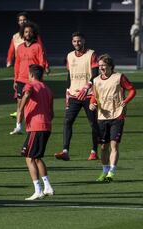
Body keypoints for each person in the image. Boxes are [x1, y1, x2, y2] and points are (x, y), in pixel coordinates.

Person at [90, 54, 136, 182]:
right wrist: (92, 103)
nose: (101, 68)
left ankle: (112, 171)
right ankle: (104, 171)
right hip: (102, 116)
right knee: (103, 147)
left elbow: (132, 90)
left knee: (114, 145)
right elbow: (94, 95)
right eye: (99, 66)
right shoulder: (96, 80)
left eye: (103, 65)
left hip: (117, 115)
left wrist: (125, 101)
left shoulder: (119, 77)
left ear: (110, 66)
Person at [55, 32, 100, 161]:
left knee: (93, 123)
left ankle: (94, 151)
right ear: (72, 42)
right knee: (67, 122)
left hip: (89, 95)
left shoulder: (91, 54)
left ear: (84, 41)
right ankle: (65, 151)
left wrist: (87, 87)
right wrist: (67, 92)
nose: (77, 43)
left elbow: (96, 74)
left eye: (79, 41)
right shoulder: (69, 56)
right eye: (74, 41)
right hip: (74, 95)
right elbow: (69, 76)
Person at [17, 64, 54, 200]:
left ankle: (37, 190)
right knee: (37, 157)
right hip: (46, 126)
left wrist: (21, 109)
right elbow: (52, 112)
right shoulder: (48, 89)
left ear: (31, 75)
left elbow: (26, 94)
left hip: (36, 127)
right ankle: (48, 186)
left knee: (29, 157)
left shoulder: (30, 85)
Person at [10, 22, 49, 135]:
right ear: (23, 33)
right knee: (20, 104)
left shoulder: (37, 46)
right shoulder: (20, 47)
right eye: (26, 32)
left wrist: (40, 79)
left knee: (33, 105)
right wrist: (15, 80)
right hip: (21, 80)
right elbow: (17, 64)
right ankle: (18, 127)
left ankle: (33, 125)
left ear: (34, 33)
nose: (28, 34)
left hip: (33, 81)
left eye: (30, 32)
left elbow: (41, 63)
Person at [6, 12, 47, 118]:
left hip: (32, 72)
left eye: (24, 20)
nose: (22, 22)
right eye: (20, 20)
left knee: (31, 96)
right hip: (21, 68)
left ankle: (27, 113)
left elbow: (41, 52)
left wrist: (45, 65)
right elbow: (12, 49)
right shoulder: (15, 37)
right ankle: (19, 117)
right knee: (19, 95)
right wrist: (9, 60)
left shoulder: (34, 37)